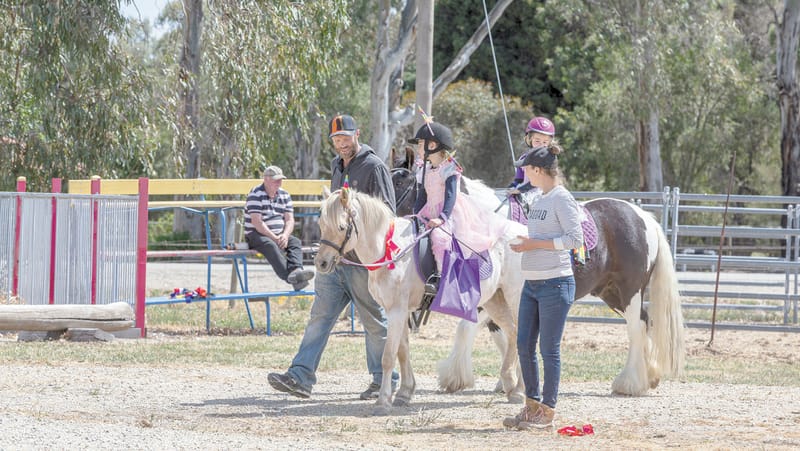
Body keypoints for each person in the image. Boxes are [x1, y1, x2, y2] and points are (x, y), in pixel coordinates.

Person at [267, 114, 399, 400]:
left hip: (362, 262)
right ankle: (300, 376)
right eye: (336, 139)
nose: (341, 144)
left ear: (357, 135)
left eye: (345, 138)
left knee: (373, 321)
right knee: (320, 317)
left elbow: (389, 213)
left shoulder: (374, 166)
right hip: (335, 259)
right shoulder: (336, 166)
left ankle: (384, 379)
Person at [504, 144, 583, 430]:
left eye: (526, 169)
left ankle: (547, 411)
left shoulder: (562, 199)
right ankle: (531, 405)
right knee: (524, 344)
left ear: (538, 170)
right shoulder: (539, 199)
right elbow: (542, 235)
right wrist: (524, 243)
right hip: (533, 284)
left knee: (549, 349)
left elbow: (575, 239)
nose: (523, 173)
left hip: (555, 282)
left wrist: (532, 245)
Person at [409, 121, 508, 295]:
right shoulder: (423, 169)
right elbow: (422, 196)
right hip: (428, 210)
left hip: (449, 212)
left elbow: (450, 196)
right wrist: (415, 215)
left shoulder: (449, 169)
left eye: (420, 144)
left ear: (432, 146)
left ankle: (442, 278)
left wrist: (442, 217)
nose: (418, 148)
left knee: (440, 237)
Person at [244, 165, 315, 291]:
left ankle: (296, 270)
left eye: (280, 179)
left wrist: (285, 236)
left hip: (279, 234)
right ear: (266, 179)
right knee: (270, 245)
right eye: (275, 179)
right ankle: (290, 277)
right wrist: (275, 238)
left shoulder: (285, 195)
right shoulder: (255, 194)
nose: (279, 182)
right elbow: (257, 222)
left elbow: (290, 219)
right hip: (256, 234)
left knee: (295, 242)